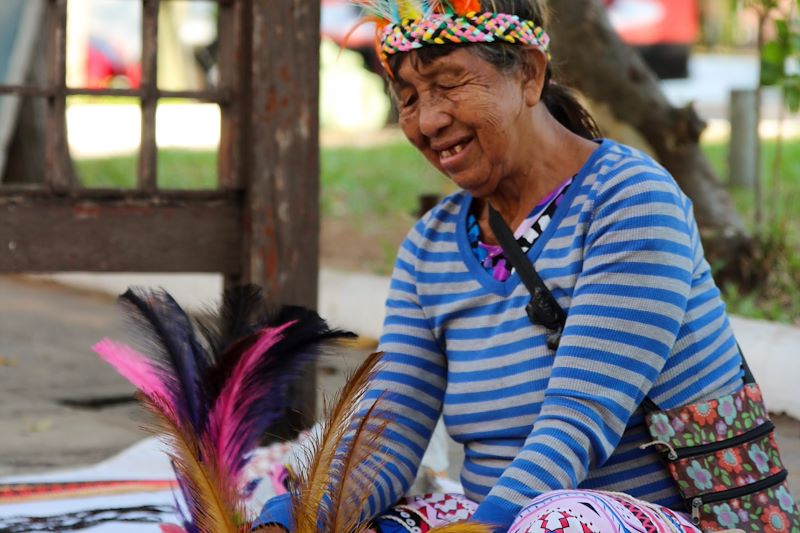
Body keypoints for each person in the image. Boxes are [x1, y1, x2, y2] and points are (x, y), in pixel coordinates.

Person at [256, 0, 745, 531]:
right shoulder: (431, 245)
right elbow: (389, 430)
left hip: (636, 518)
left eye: (448, 84)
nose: (428, 119)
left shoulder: (629, 199)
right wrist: (294, 518)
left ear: (530, 74)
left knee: (554, 520)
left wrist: (483, 527)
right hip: (504, 519)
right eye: (409, 97)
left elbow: (577, 422)